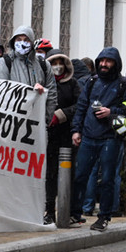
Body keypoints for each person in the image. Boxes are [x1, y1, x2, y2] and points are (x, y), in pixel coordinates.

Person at [70, 47, 126, 232]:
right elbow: (82, 107)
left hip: (111, 138)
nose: (104, 64)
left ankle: (104, 217)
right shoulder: (92, 82)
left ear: (115, 63)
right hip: (88, 137)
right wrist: (76, 131)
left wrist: (112, 112)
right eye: (101, 61)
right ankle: (75, 213)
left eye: (108, 61)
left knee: (108, 179)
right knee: (80, 177)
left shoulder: (125, 84)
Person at [0, 25, 58, 125]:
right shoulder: (6, 62)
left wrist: (45, 120)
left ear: (32, 42)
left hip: (37, 122)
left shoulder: (44, 65)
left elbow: (52, 94)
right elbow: (1, 92)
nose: (22, 43)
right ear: (13, 41)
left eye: (26, 40)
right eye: (19, 39)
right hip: (12, 123)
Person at [44, 49, 80, 225]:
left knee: (67, 174)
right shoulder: (43, 83)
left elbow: (79, 105)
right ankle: (49, 211)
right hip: (47, 136)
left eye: (60, 62)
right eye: (53, 63)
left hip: (66, 136)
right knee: (49, 175)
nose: (57, 66)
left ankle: (68, 212)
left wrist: (61, 114)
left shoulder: (73, 84)